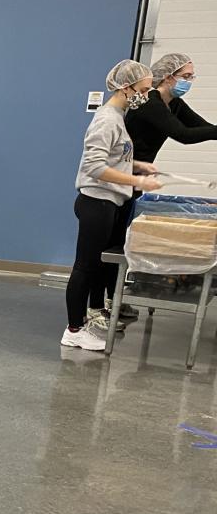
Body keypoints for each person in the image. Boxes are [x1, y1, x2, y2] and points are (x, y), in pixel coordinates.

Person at [63, 59, 163, 352]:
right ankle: (73, 330)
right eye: (142, 90)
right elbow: (94, 167)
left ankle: (84, 321)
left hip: (108, 202)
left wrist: (138, 165)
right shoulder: (107, 119)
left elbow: (114, 157)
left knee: (95, 266)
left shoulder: (118, 117)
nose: (145, 96)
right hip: (96, 201)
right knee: (85, 267)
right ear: (125, 87)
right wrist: (137, 181)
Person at [126, 53, 217, 165]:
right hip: (121, 166)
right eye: (186, 76)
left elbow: (204, 127)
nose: (189, 81)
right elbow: (183, 135)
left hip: (141, 166)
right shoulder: (149, 102)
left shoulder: (174, 103)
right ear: (168, 77)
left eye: (191, 77)